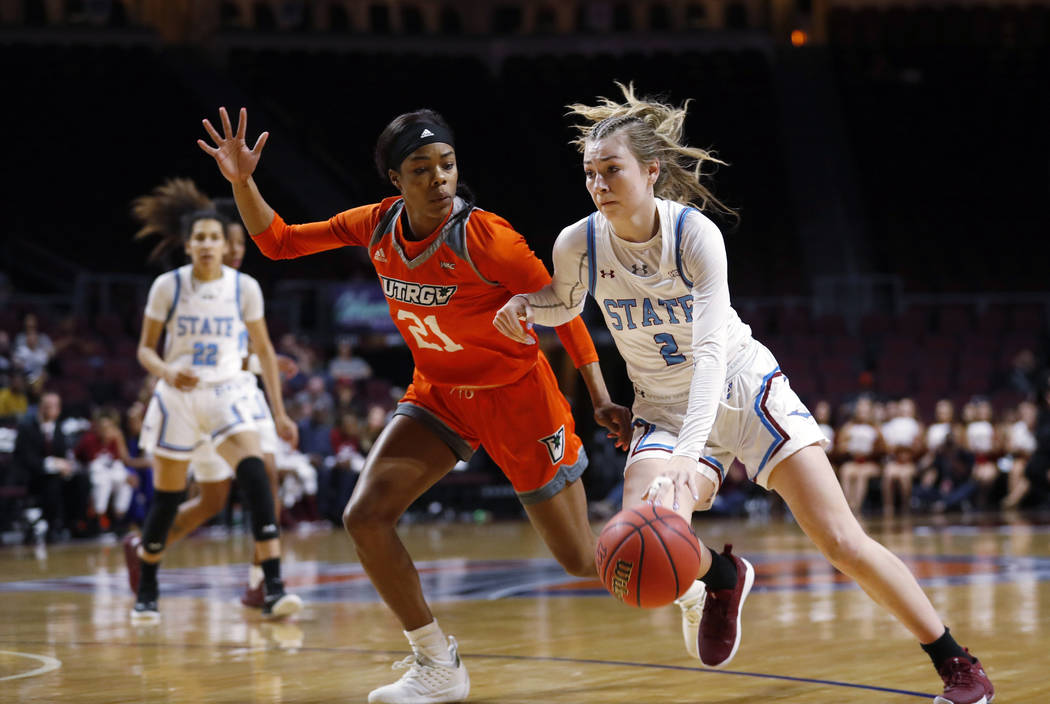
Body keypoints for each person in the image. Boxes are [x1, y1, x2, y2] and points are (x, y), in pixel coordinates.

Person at [493, 83, 994, 704]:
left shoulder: (695, 234)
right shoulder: (578, 242)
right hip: (663, 404)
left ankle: (956, 663)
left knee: (841, 541)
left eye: (611, 170)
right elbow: (564, 301)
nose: (597, 184)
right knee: (638, 530)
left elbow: (708, 355)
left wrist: (686, 456)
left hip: (740, 384)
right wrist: (526, 308)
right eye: (589, 173)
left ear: (651, 171)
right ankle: (721, 575)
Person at [199, 105, 632, 704]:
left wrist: (602, 396)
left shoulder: (489, 238)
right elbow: (277, 243)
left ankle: (695, 569)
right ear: (395, 180)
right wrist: (242, 181)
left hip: (518, 401)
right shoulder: (377, 225)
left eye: (447, 165)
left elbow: (564, 312)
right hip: (439, 394)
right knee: (364, 516)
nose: (438, 178)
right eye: (421, 168)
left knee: (582, 560)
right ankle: (436, 663)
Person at [122, 179, 295, 610]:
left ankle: (265, 581)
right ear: (191, 244)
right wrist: (165, 371)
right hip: (185, 398)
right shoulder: (175, 287)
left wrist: (268, 382)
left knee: (258, 477)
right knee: (204, 498)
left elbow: (243, 354)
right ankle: (147, 553)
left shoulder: (241, 288)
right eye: (216, 240)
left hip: (231, 396)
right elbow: (158, 347)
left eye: (230, 243)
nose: (229, 250)